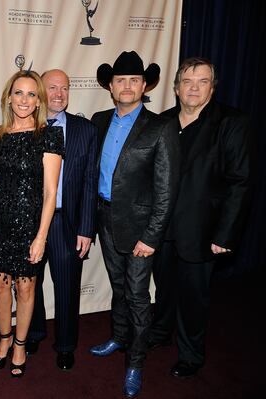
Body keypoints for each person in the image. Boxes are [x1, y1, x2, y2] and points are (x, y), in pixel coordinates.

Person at [149, 57, 251, 379]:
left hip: (202, 229)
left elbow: (240, 181)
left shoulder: (230, 122)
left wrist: (225, 234)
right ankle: (161, 333)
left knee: (194, 296)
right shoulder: (162, 121)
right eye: (188, 82)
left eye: (202, 81)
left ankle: (191, 355)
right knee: (164, 287)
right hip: (161, 227)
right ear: (176, 87)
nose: (194, 88)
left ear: (212, 87)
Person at [89, 51, 180, 398]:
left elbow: (167, 190)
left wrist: (152, 237)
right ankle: (118, 335)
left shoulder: (161, 127)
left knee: (139, 296)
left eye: (134, 80)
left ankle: (136, 362)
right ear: (111, 87)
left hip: (141, 230)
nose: (127, 86)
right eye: (120, 80)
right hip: (105, 220)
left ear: (144, 86)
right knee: (118, 287)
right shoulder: (98, 120)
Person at [0, 70, 63, 378]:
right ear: (8, 96)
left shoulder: (49, 135)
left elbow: (50, 192)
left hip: (30, 223)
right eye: (19, 93)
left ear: (39, 99)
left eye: (32, 94)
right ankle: (3, 339)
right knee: (0, 284)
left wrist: (41, 237)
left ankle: (19, 343)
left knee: (26, 287)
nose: (24, 100)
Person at [26, 69, 98, 371]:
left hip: (66, 223)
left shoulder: (85, 129)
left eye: (64, 88)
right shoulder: (26, 125)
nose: (58, 94)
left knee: (67, 287)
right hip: (29, 222)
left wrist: (86, 228)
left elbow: (91, 181)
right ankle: (34, 331)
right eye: (52, 88)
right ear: (41, 91)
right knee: (30, 283)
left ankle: (66, 345)